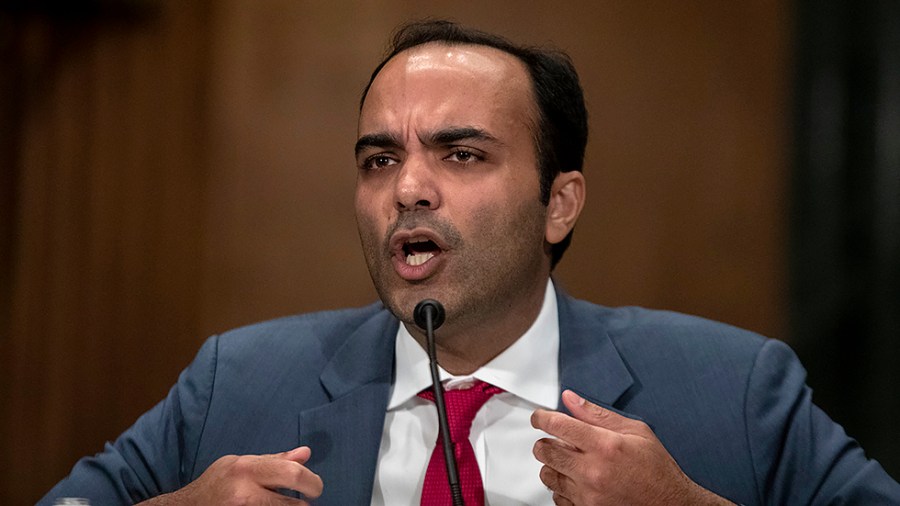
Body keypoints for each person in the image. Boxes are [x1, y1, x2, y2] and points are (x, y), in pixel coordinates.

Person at [41, 20, 899, 506]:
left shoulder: (736, 391)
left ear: (559, 202)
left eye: (461, 155)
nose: (408, 186)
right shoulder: (237, 382)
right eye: (379, 160)